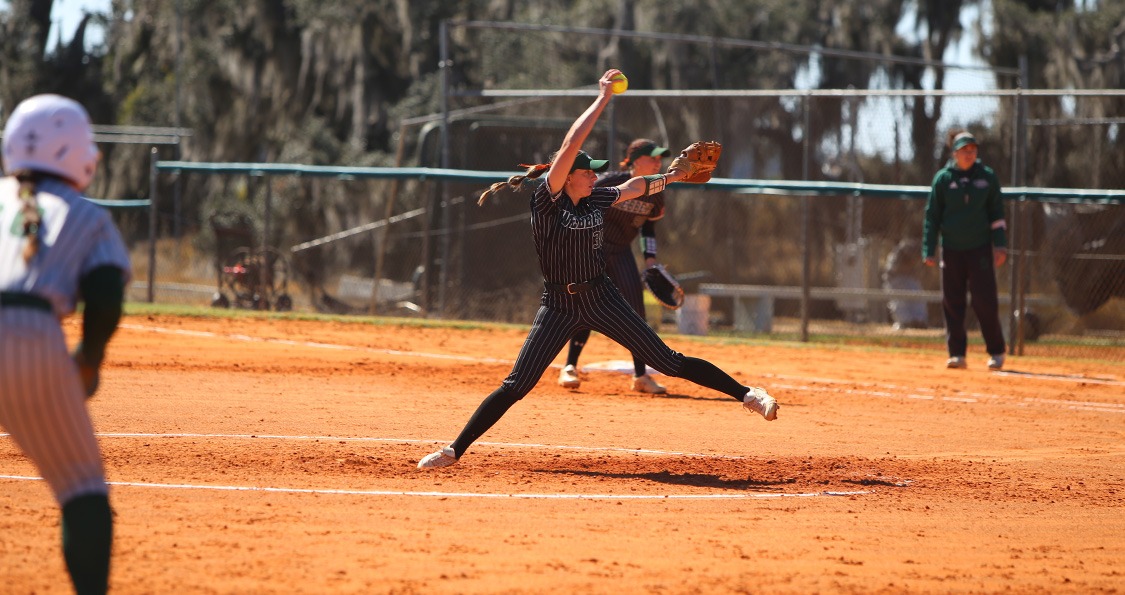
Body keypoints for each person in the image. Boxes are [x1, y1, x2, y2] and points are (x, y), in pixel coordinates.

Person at [419, 70, 777, 469]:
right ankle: (453, 450)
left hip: (602, 297)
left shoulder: (596, 199)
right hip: (557, 305)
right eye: (588, 171)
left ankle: (748, 394)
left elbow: (635, 188)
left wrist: (674, 176)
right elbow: (572, 144)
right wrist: (604, 98)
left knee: (668, 360)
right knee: (517, 384)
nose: (595, 175)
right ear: (567, 175)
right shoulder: (548, 201)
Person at [0, 94, 130, 594]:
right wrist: (88, 359)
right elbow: (104, 291)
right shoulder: (85, 215)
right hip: (27, 334)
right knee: (81, 488)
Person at [557, 137, 671, 394]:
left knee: (636, 314)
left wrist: (650, 259)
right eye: (652, 157)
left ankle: (641, 376)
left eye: (659, 158)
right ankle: (570, 367)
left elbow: (649, 227)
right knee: (584, 308)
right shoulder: (608, 181)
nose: (657, 162)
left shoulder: (656, 193)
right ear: (634, 160)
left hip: (621, 253)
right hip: (591, 252)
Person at [923, 129, 1007, 370]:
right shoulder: (943, 179)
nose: (969, 154)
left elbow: (997, 215)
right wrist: (928, 248)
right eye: (964, 150)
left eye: (973, 150)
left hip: (979, 248)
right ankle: (957, 353)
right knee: (952, 301)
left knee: (984, 300)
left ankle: (996, 352)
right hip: (951, 249)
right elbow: (932, 217)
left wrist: (999, 244)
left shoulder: (987, 177)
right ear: (955, 153)